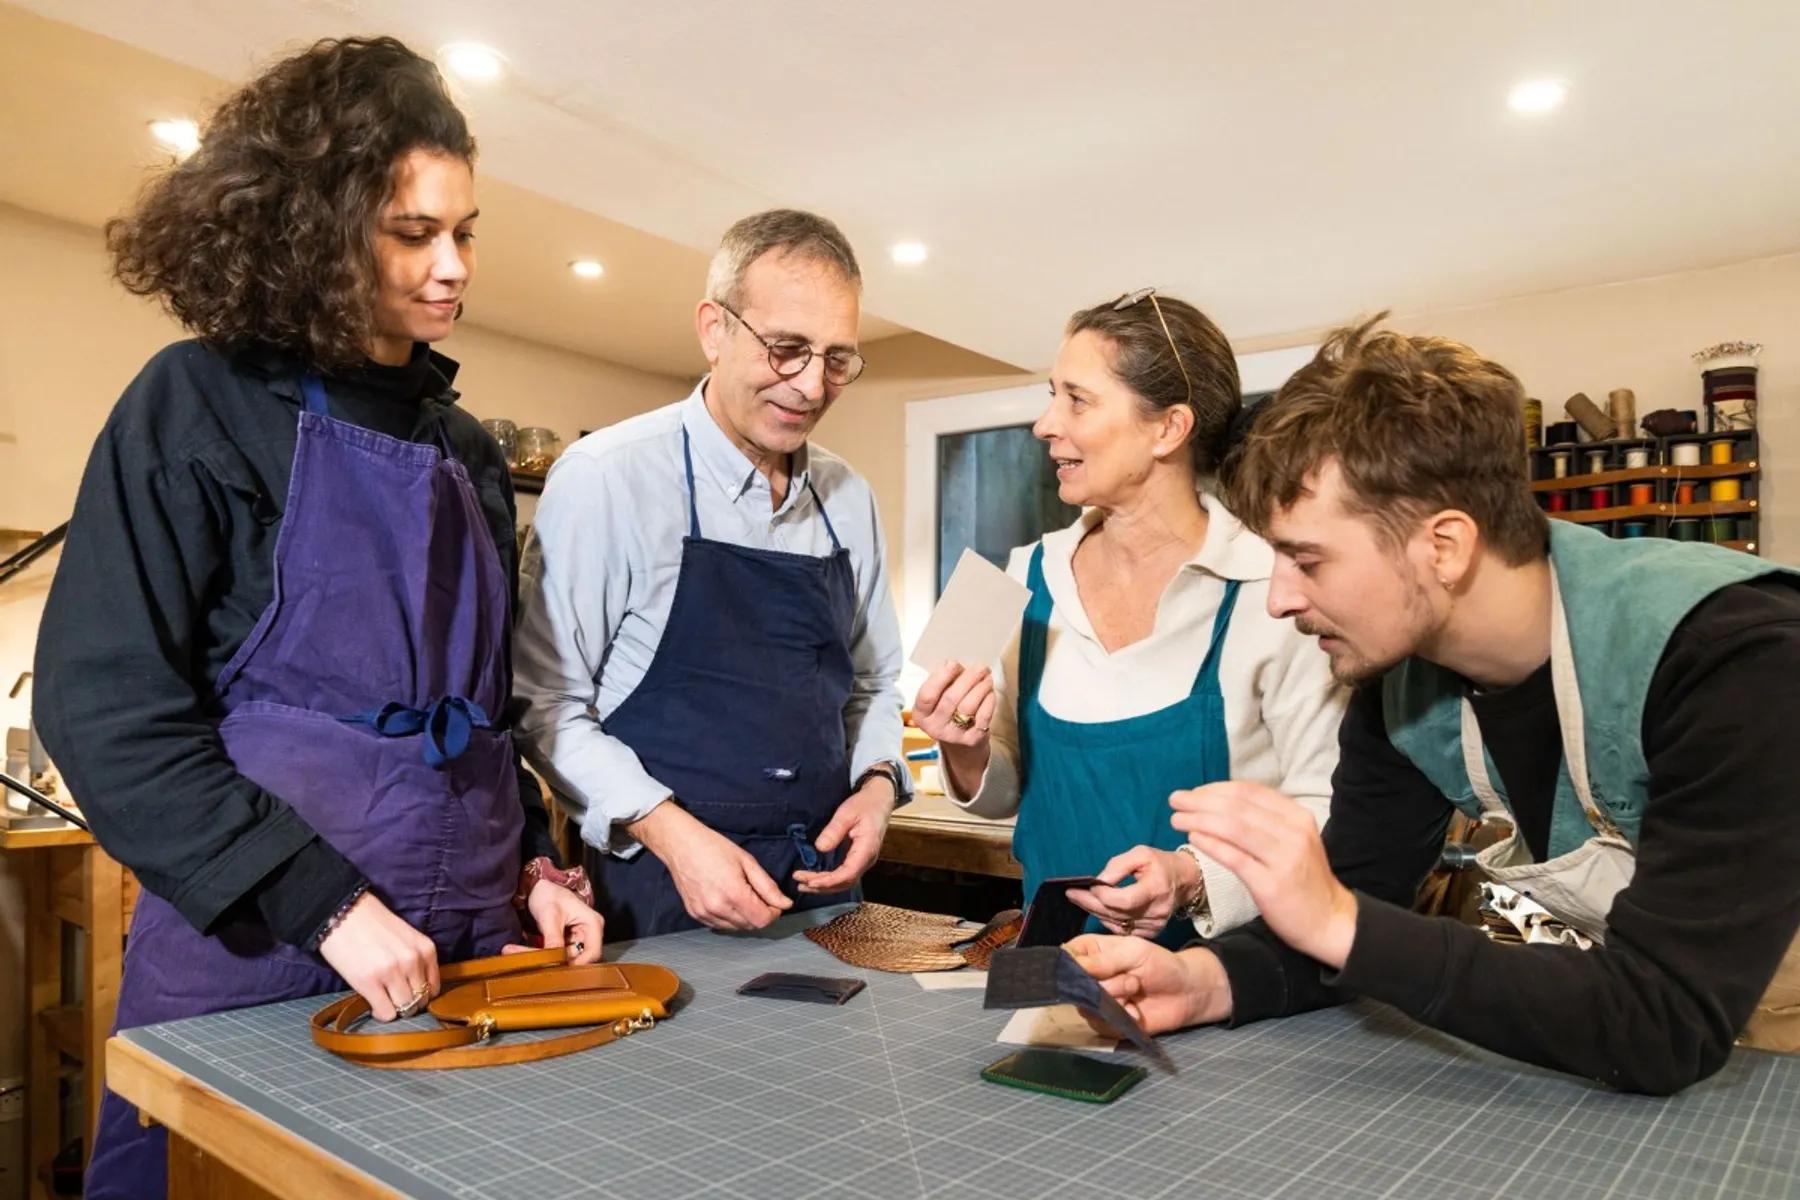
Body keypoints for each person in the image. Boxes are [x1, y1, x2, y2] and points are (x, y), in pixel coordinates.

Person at [32, 39, 604, 1197]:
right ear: (314, 229)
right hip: (263, 951)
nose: (452, 268)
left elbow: (486, 714)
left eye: (466, 230)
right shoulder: (196, 404)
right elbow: (105, 714)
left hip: (472, 953)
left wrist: (538, 869)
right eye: (412, 233)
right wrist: (326, 903)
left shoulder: (465, 451)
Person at [1067, 317, 1800, 1095]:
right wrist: (1204, 979)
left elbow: (1663, 1023)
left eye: (1306, 560)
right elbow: (1354, 905)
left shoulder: (1739, 658)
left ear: (1443, 547)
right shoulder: (1401, 687)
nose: (1279, 600)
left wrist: (1338, 920)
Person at [514, 209, 908, 940]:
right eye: (786, 349)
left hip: (828, 903)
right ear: (713, 329)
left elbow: (876, 684)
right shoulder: (608, 479)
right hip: (663, 899)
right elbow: (545, 708)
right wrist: (672, 835)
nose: (811, 385)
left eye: (837, 359)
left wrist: (880, 784)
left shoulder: (849, 498)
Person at [911, 290, 1344, 946]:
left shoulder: (1276, 589)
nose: (1045, 424)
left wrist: (1196, 876)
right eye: (1051, 395)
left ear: (1168, 428)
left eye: (1076, 400)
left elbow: (1327, 811)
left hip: (1223, 987)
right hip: (1051, 978)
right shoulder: (1011, 574)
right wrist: (961, 745)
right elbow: (996, 795)